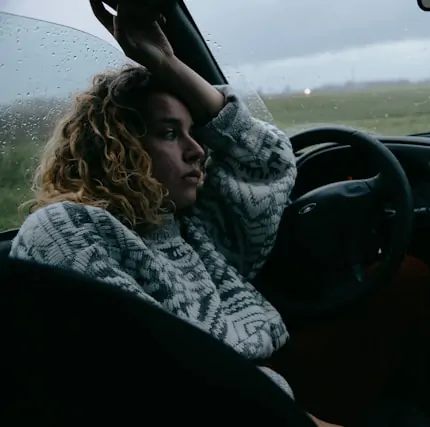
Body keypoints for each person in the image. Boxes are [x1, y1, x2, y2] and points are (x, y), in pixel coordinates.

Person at [9, 1, 340, 426]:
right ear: (118, 148)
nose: (198, 149)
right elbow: (152, 383)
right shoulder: (68, 231)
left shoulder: (191, 230)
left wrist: (165, 61)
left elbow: (269, 161)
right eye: (169, 133)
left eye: (193, 131)